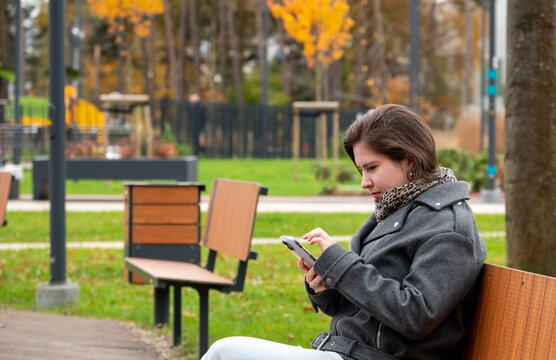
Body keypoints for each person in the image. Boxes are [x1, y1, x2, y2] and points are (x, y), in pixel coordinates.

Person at [201, 104, 487, 360]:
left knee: (224, 353)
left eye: (372, 167)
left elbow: (415, 315)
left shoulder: (447, 226)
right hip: (347, 352)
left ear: (409, 161)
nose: (364, 182)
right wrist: (326, 286)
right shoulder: (399, 211)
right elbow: (366, 305)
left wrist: (342, 266)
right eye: (360, 170)